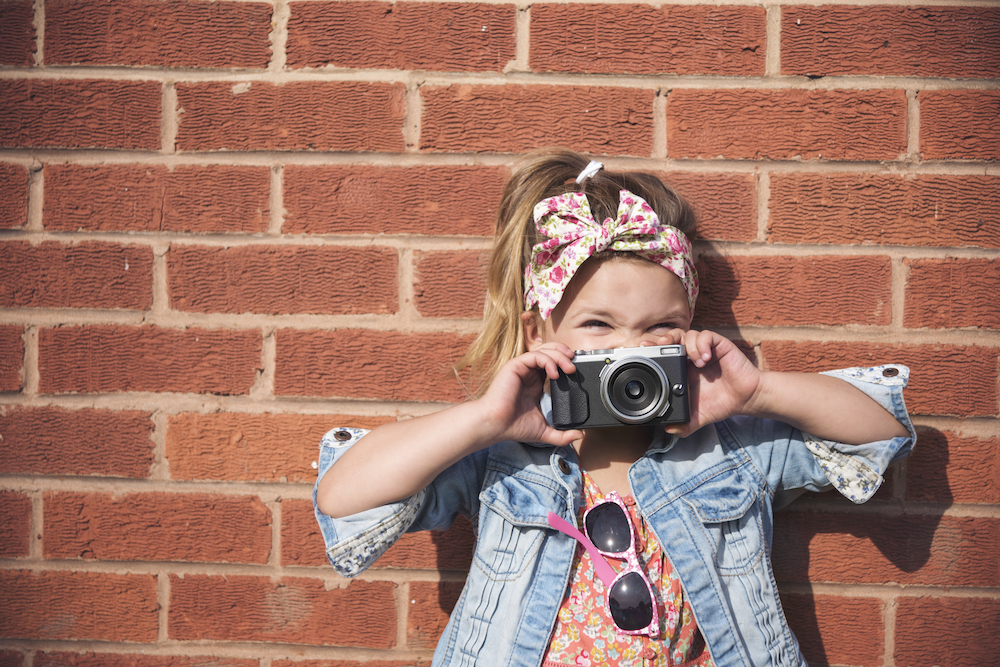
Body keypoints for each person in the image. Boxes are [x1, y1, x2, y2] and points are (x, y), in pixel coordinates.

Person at [313, 149, 915, 667]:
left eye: (661, 327)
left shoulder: (729, 448)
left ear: (689, 329)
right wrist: (484, 421)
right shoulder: (502, 458)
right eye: (598, 324)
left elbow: (880, 431)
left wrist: (757, 393)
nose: (630, 349)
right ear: (537, 331)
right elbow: (345, 498)